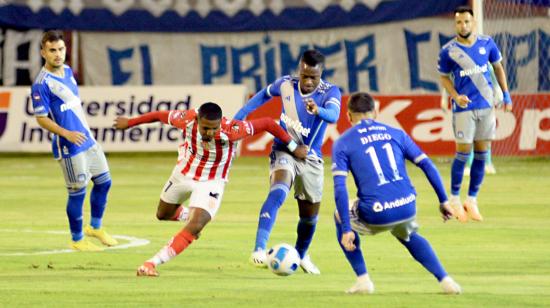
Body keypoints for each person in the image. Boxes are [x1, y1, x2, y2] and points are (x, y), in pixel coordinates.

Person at [113, 102, 308, 276]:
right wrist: (130, 122)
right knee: (162, 214)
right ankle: (192, 216)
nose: (210, 133)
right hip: (183, 173)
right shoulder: (187, 119)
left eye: (214, 129)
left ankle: (151, 263)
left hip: (212, 181)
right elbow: (158, 115)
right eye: (205, 128)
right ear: (197, 121)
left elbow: (268, 123)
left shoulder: (232, 130)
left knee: (196, 225)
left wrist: (293, 146)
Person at [332, 92, 461, 294]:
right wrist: (444, 200)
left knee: (340, 214)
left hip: (376, 212)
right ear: (375, 111)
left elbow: (340, 188)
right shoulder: (396, 133)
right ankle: (446, 281)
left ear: (348, 116)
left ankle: (363, 280)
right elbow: (427, 165)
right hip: (407, 206)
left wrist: (347, 229)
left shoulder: (343, 142)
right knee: (407, 233)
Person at [233, 49, 341, 274]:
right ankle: (259, 249)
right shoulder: (285, 84)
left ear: (321, 74)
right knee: (278, 191)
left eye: (314, 77)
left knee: (309, 216)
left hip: (311, 158)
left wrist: (318, 110)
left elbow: (333, 116)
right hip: (284, 150)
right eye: (305, 76)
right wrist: (239, 117)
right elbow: (264, 94)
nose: (309, 81)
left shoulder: (330, 92)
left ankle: (301, 255)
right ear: (299, 71)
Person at [31, 30, 117, 251]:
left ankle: (95, 227)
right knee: (78, 192)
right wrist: (67, 134)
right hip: (69, 145)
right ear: (43, 52)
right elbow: (41, 119)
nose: (57, 54)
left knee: (104, 182)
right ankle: (77, 239)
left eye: (60, 49)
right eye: (52, 50)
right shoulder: (41, 84)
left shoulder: (68, 71)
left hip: (87, 140)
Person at [438, 5, 512, 222]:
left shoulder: (487, 43)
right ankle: (453, 199)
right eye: (459, 22)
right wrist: (454, 95)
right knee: (462, 153)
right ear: (455, 24)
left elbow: (498, 68)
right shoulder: (448, 50)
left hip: (487, 106)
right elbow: (443, 77)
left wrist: (506, 95)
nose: (463, 25)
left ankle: (471, 200)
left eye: (467, 21)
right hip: (463, 109)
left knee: (482, 153)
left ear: (474, 22)